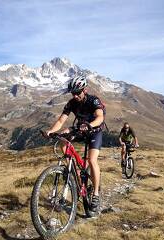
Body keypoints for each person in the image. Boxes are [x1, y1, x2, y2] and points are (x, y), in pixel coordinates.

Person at [46, 75, 105, 214]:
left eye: (78, 92)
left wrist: (89, 125)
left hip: (94, 131)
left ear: (85, 90)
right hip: (80, 129)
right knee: (63, 140)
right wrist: (51, 131)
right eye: (73, 93)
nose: (76, 96)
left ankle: (95, 194)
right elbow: (61, 121)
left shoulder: (93, 100)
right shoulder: (71, 103)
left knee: (91, 160)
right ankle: (73, 170)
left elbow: (100, 117)